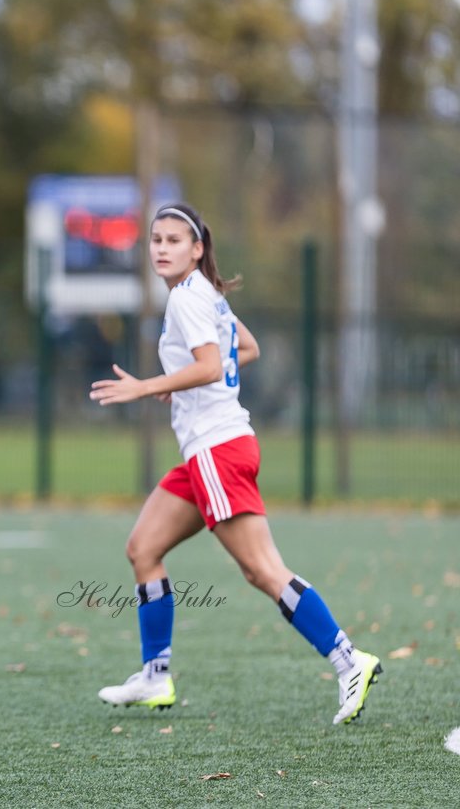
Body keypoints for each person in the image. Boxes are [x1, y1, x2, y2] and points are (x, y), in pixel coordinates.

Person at [89, 203, 381, 726]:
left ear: (197, 248)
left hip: (218, 451)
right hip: (208, 453)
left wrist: (149, 386)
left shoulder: (187, 300)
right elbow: (246, 349)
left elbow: (208, 365)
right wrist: (181, 382)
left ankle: (348, 659)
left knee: (261, 570)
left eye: (174, 240)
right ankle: (155, 676)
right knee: (143, 548)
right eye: (156, 239)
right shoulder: (204, 294)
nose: (161, 248)